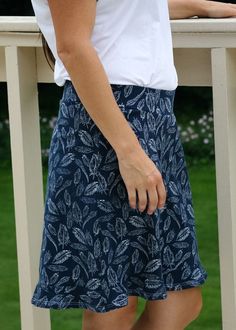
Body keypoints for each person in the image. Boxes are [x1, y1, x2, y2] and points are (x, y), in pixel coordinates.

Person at [30, 1, 236, 330]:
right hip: (107, 129)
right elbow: (72, 47)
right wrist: (130, 153)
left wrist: (209, 8)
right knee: (114, 305)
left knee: (180, 297)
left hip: (152, 121)